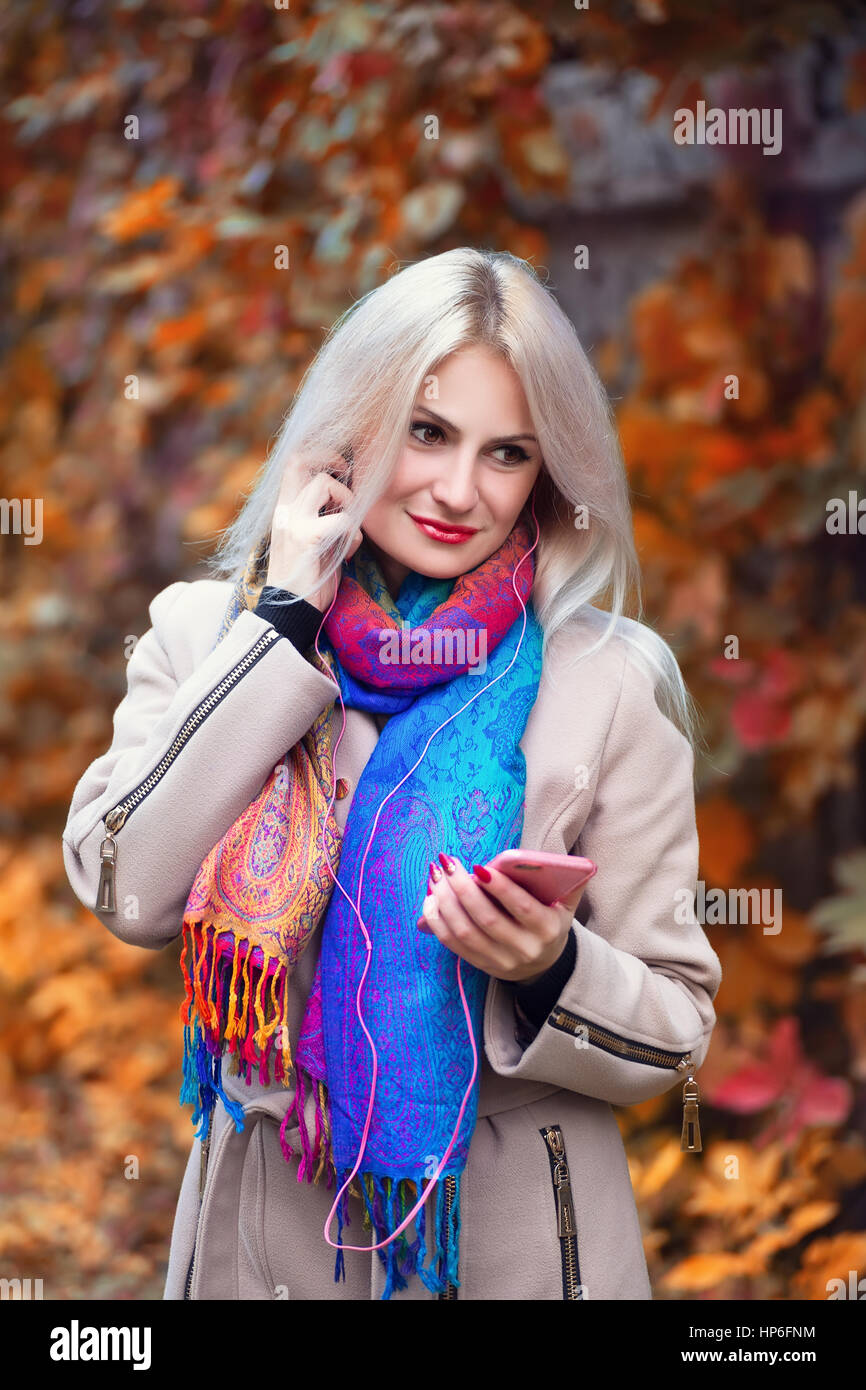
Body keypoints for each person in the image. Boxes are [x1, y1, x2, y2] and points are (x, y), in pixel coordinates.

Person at [62, 247, 722, 1301]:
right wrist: (282, 623)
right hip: (259, 1243)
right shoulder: (212, 635)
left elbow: (673, 1031)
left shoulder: (607, 680)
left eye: (505, 452)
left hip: (509, 1246)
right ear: (351, 427)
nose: (458, 490)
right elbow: (125, 889)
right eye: (426, 432)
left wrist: (549, 964)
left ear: (544, 473)